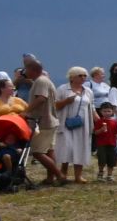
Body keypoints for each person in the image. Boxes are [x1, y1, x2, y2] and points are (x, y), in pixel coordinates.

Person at [22, 56, 64, 185]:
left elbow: (41, 98)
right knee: (49, 150)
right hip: (50, 121)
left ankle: (60, 175)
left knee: (38, 152)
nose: (25, 72)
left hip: (44, 122)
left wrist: (26, 111)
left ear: (33, 70)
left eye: (26, 69)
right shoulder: (43, 81)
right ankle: (51, 178)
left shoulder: (41, 81)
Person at [52, 67, 92, 183]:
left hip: (82, 124)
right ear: (72, 77)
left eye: (85, 75)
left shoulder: (88, 91)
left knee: (80, 147)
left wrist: (98, 121)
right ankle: (62, 174)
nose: (83, 78)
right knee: (66, 148)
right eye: (80, 75)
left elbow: (91, 107)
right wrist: (66, 101)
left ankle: (78, 176)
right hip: (66, 123)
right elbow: (55, 105)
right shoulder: (63, 89)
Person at [92, 101, 117, 181]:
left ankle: (109, 175)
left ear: (112, 111)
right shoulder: (99, 122)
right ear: (101, 112)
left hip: (112, 144)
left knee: (111, 160)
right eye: (104, 111)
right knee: (102, 160)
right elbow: (95, 133)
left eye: (109, 111)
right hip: (101, 144)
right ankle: (100, 173)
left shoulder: (114, 122)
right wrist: (101, 130)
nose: (107, 113)